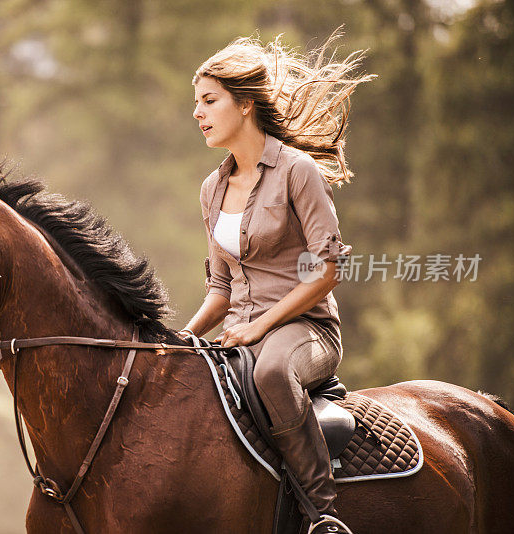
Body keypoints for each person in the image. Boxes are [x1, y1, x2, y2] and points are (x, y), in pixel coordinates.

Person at [179, 33, 373, 534]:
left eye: (208, 101)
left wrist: (258, 327)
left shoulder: (297, 171)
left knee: (270, 374)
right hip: (239, 336)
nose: (198, 113)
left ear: (244, 104)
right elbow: (219, 292)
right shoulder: (211, 188)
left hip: (305, 332)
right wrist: (179, 339)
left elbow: (327, 270)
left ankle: (323, 513)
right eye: (195, 103)